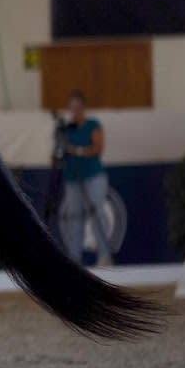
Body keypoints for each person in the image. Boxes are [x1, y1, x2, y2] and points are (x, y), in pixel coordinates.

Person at [57, 89, 113, 266]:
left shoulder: (93, 125)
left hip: (93, 176)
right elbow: (59, 152)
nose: (75, 111)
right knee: (75, 217)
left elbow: (98, 148)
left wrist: (77, 151)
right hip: (72, 179)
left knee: (97, 215)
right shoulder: (66, 128)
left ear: (83, 107)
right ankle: (75, 259)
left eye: (78, 107)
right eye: (72, 108)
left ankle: (104, 256)